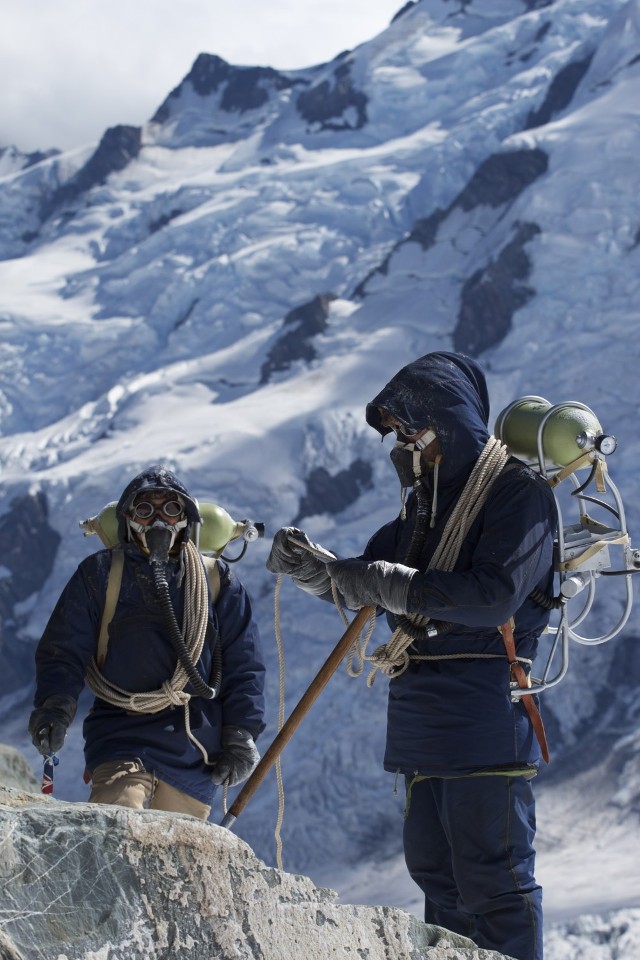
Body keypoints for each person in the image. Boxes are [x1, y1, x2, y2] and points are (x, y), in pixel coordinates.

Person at [266, 352, 557, 960]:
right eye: (400, 431)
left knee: (492, 879)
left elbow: (493, 594)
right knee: (438, 876)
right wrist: (318, 573)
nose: (406, 441)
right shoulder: (421, 507)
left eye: (413, 427)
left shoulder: (516, 494)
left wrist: (382, 580)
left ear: (449, 419)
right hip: (426, 719)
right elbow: (367, 578)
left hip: (484, 716)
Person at [29, 465, 266, 820]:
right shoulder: (99, 574)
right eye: (145, 509)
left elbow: (243, 664)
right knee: (115, 834)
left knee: (175, 865)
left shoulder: (217, 581)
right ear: (128, 519)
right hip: (120, 739)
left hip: (194, 753)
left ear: (186, 519)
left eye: (171, 509)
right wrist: (55, 707)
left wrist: (241, 733)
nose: (159, 520)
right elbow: (64, 649)